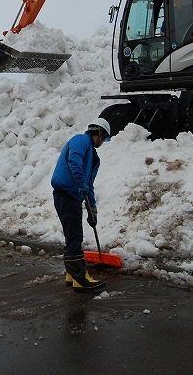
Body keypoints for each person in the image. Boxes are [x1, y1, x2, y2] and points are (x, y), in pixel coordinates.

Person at [50, 117, 111, 292]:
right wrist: (80, 183)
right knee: (75, 236)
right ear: (99, 133)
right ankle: (80, 279)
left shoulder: (92, 155)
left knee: (72, 235)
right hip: (66, 194)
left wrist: (92, 209)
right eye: (104, 138)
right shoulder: (80, 140)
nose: (103, 142)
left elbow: (88, 184)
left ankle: (71, 275)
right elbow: (73, 160)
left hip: (72, 196)